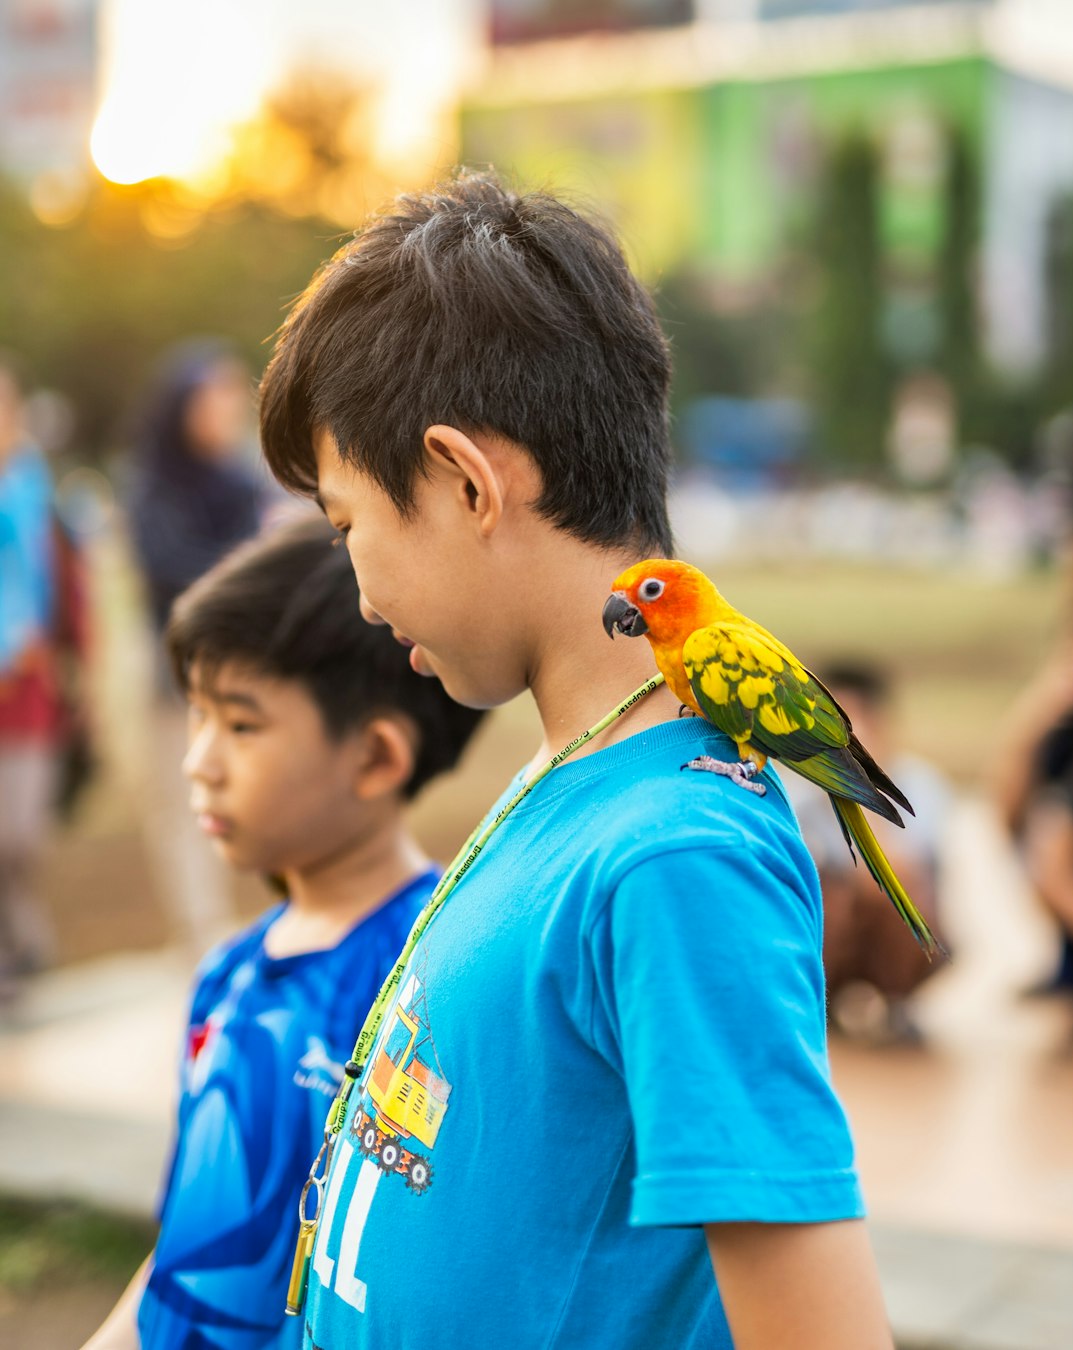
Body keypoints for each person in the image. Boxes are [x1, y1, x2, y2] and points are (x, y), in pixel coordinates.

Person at [257, 173, 892, 1348]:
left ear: (464, 480)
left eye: (350, 527)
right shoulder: (570, 771)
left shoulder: (679, 857)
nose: (357, 586)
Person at [81, 515, 484, 1349]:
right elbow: (186, 1245)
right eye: (197, 717)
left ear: (375, 759)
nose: (200, 761)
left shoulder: (429, 967)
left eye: (241, 724)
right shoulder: (228, 969)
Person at [127, 340, 264, 946]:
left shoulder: (243, 482)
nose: (226, 413)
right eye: (214, 400)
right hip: (177, 674)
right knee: (186, 805)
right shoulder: (152, 485)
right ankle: (203, 934)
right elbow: (169, 569)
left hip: (250, 668)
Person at [782, 661, 950, 1041]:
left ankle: (897, 997)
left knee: (898, 884)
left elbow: (906, 870)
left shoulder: (920, 785)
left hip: (905, 935)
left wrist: (858, 784)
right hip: (836, 935)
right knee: (823, 893)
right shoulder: (796, 791)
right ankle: (825, 998)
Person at [0, 353, 89, 1000]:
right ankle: (16, 950)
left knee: (19, 831)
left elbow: (70, 587)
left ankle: (21, 931)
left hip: (28, 686)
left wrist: (77, 664)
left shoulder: (40, 495)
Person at [996, 638, 1073, 998]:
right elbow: (1007, 807)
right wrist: (1048, 700)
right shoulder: (1065, 736)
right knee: (1045, 828)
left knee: (1052, 840)